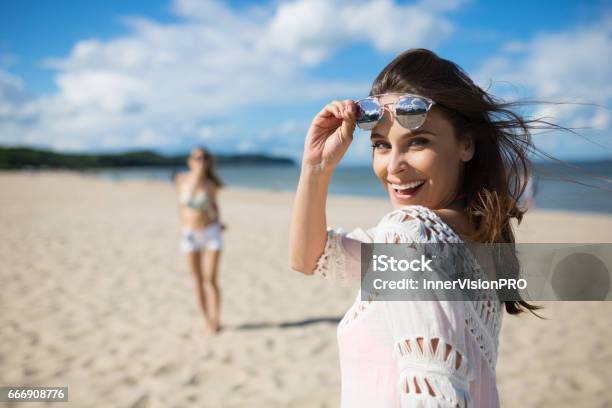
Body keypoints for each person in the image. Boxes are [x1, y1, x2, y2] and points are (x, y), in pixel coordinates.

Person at [289, 49, 544, 407]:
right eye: (381, 145)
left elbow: (436, 391)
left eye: (418, 142)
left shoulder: (410, 233)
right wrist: (316, 166)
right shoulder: (472, 234)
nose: (394, 166)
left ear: (466, 144)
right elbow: (311, 258)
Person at [175, 147, 225, 335]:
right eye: (198, 157)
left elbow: (214, 205)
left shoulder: (211, 184)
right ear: (190, 161)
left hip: (211, 232)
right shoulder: (181, 180)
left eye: (205, 158)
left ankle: (216, 319)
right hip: (190, 234)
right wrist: (182, 225)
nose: (201, 161)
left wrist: (220, 222)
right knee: (197, 280)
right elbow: (180, 205)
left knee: (210, 279)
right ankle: (207, 320)